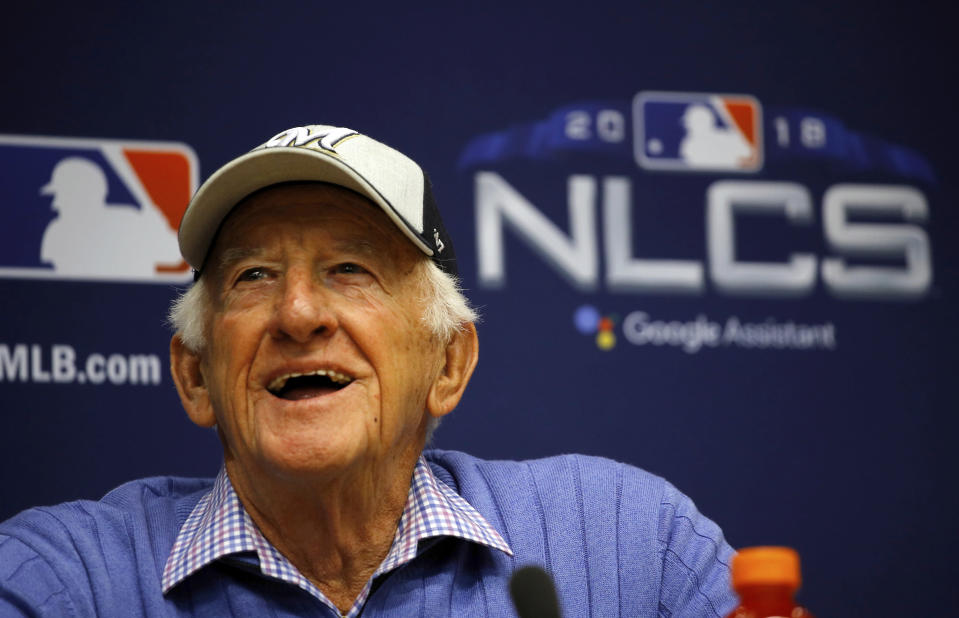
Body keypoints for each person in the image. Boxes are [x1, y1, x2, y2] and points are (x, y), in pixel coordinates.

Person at [0, 125, 737, 617]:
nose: (296, 313)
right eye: (253, 275)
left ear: (448, 363)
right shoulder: (67, 581)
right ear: (195, 376)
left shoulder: (627, 546)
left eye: (349, 269)